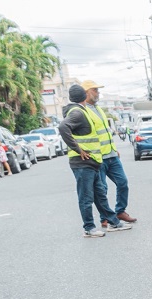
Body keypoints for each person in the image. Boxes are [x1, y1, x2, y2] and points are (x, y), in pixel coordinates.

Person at [59, 84, 132, 238]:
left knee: (99, 194)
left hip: (92, 162)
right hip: (82, 162)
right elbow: (63, 127)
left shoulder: (81, 110)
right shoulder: (78, 112)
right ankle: (89, 228)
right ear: (84, 96)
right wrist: (78, 149)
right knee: (86, 196)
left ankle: (113, 222)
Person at [80, 79, 136, 227]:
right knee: (102, 189)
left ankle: (119, 211)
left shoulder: (98, 109)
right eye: (95, 90)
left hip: (111, 154)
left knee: (122, 183)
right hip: (98, 157)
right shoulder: (83, 111)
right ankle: (105, 217)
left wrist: (114, 148)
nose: (98, 93)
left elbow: (105, 132)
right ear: (86, 92)